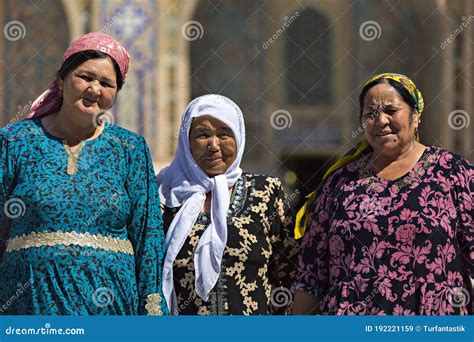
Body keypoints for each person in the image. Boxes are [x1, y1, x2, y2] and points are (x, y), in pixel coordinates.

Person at [0, 32, 167, 315]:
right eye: (85, 77)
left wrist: (152, 309)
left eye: (106, 83)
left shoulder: (129, 148)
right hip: (30, 306)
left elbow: (148, 235)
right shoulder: (15, 141)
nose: (94, 89)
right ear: (62, 80)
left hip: (111, 308)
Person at [292, 73, 473, 315]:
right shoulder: (339, 183)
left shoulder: (453, 173)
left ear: (415, 116)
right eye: (370, 114)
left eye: (391, 110)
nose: (381, 121)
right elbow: (310, 277)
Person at [157, 94, 299, 315]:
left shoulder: (265, 192)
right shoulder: (164, 198)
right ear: (186, 141)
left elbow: (291, 272)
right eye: (202, 135)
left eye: (224, 134)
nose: (213, 145)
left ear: (239, 137)